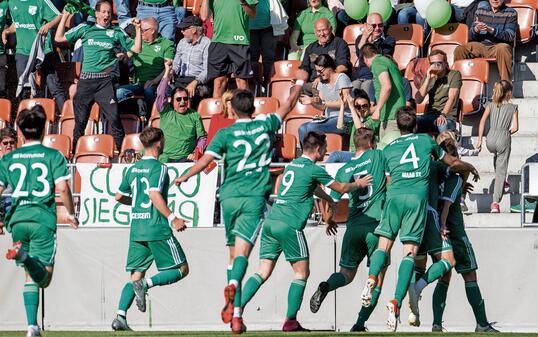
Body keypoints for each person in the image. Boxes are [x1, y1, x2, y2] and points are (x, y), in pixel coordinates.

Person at [174, 72, 307, 334]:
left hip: (229, 196)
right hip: (253, 197)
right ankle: (234, 290)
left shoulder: (225, 133)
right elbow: (289, 104)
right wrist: (299, 82)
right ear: (253, 107)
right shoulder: (265, 123)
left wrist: (185, 176)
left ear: (232, 109)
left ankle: (236, 315)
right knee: (243, 255)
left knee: (232, 254)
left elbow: (204, 162)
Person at [360, 107, 479, 332]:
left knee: (383, 247)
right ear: (415, 125)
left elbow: (387, 180)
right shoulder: (426, 142)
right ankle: (398, 300)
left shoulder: (388, 149)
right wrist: (469, 166)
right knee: (412, 254)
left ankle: (372, 277)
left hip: (394, 198)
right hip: (418, 203)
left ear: (397, 126)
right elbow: (452, 163)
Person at [240, 131, 371, 331]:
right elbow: (342, 188)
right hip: (289, 226)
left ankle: (236, 310)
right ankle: (290, 321)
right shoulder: (312, 169)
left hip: (271, 222)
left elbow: (311, 188)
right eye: (325, 148)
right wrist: (358, 184)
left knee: (263, 271)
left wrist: (327, 201)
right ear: (318, 149)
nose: (327, 151)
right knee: (301, 273)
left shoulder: (292, 165)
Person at [1, 106, 78, 337]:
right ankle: (24, 256)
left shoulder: (9, 158)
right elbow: (62, 188)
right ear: (44, 129)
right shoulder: (53, 155)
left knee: (29, 276)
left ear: (21, 132)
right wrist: (71, 213)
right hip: (42, 220)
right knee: (43, 279)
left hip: (17, 221)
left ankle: (32, 327)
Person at [111, 127, 190, 331]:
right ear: (159, 142)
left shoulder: (132, 168)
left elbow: (119, 197)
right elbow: (155, 195)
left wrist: (137, 203)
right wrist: (173, 218)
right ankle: (146, 285)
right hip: (156, 228)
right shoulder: (160, 168)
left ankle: (120, 316)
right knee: (181, 269)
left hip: (137, 228)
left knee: (136, 274)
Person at [309, 127, 387, 332]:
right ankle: (359, 324)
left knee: (346, 274)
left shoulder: (345, 169)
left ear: (354, 145)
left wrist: (328, 220)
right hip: (375, 226)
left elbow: (331, 201)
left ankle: (326, 286)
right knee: (376, 280)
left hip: (353, 227)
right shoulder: (378, 156)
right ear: (371, 143)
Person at [55, 0, 142, 152]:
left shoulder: (116, 32)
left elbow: (136, 48)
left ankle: (122, 155)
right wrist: (64, 16)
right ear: (96, 14)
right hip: (86, 81)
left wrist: (138, 29)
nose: (107, 15)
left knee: (114, 119)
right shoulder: (85, 28)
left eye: (109, 12)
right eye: (103, 11)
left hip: (105, 82)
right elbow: (59, 38)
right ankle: (74, 155)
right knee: (80, 122)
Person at [432, 137, 499, 332]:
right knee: (470, 275)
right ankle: (482, 324)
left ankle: (436, 323)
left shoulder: (435, 175)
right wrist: (468, 169)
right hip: (455, 232)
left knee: (444, 276)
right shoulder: (455, 178)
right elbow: (447, 204)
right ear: (455, 156)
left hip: (437, 233)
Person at [5, 0, 66, 113]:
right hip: (22, 51)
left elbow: (58, 16)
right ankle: (24, 120)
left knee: (54, 86)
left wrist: (48, 25)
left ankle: (66, 117)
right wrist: (7, 31)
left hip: (43, 50)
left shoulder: (41, 1)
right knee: (22, 87)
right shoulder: (12, 2)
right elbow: (16, 24)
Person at [116, 17, 175, 117]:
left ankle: (150, 119)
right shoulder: (138, 42)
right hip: (137, 84)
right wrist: (122, 57)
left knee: (149, 92)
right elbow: (127, 57)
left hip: (156, 84)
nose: (140, 33)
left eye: (143, 30)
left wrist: (154, 81)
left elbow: (168, 68)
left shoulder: (167, 44)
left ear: (152, 31)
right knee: (118, 92)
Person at [476, 80, 518, 213]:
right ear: (509, 93)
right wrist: (506, 133)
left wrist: (479, 140)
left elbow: (482, 121)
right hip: (503, 137)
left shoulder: (490, 105)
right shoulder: (513, 107)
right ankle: (495, 203)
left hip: (490, 138)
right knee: (501, 169)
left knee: (497, 156)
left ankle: (503, 182)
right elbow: (516, 128)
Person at [200, 0, 258, 98]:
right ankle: (218, 113)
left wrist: (243, 2)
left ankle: (244, 111)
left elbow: (253, 14)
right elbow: (204, 17)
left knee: (242, 82)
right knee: (218, 83)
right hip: (218, 41)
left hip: (240, 41)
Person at [155, 61, 207, 163]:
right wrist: (167, 73)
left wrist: (196, 152)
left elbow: (202, 138)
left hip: (185, 159)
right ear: (172, 101)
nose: (182, 101)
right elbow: (160, 94)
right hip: (165, 158)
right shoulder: (166, 112)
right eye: (178, 99)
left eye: (185, 99)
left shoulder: (194, 115)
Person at [453, 0, 517, 82]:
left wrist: (491, 30)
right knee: (460, 49)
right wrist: (476, 30)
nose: (495, 0)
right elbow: (470, 37)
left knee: (503, 48)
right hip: (481, 46)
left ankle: (506, 86)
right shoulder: (480, 11)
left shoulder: (511, 13)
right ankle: (457, 83)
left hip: (497, 46)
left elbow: (510, 36)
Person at [297, 54, 352, 144]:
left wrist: (322, 102)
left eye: (320, 71)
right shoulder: (322, 82)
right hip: (329, 119)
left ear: (329, 68)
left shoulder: (342, 78)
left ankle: (314, 153)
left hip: (345, 119)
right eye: (316, 71)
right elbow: (322, 107)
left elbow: (345, 103)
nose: (318, 74)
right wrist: (311, 101)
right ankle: (306, 155)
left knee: (312, 127)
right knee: (302, 128)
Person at [360, 43, 406, 143]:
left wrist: (378, 110)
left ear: (365, 58)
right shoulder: (388, 61)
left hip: (391, 118)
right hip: (397, 115)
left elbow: (387, 86)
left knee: (388, 153)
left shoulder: (377, 63)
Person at [352, 12, 395, 102]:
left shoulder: (389, 40)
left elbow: (378, 58)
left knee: (366, 87)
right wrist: (365, 37)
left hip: (376, 76)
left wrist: (371, 42)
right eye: (373, 26)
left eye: (380, 25)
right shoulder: (361, 38)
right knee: (353, 88)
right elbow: (360, 53)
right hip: (361, 76)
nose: (377, 28)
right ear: (367, 25)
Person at [415, 50, 461, 134]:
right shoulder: (429, 76)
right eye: (432, 63)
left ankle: (446, 146)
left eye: (439, 63)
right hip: (430, 115)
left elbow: (452, 98)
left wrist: (443, 115)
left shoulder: (454, 74)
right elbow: (418, 100)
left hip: (448, 116)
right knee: (413, 124)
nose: (435, 66)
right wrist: (428, 78)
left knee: (442, 124)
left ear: (445, 63)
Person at [327, 90, 378, 163]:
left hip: (366, 155)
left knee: (336, 155)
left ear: (369, 106)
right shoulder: (354, 122)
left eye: (364, 106)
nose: (361, 109)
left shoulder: (373, 120)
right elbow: (340, 126)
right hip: (354, 154)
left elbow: (361, 129)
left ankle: (322, 173)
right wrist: (342, 105)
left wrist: (352, 107)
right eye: (358, 107)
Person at [298, 18, 350, 86]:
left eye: (324, 30)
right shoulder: (310, 48)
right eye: (319, 31)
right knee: (295, 88)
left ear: (331, 29)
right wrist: (299, 80)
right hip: (312, 83)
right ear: (315, 32)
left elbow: (343, 66)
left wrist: (321, 78)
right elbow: (304, 69)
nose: (322, 34)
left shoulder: (340, 44)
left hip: (331, 83)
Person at [173, 15, 211, 107]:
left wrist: (195, 82)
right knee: (161, 91)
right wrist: (171, 72)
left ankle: (190, 119)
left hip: (199, 82)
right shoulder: (182, 42)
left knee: (189, 95)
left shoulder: (207, 43)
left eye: (184, 29)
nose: (182, 32)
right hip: (181, 80)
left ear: (193, 30)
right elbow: (176, 65)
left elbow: (207, 70)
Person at [249, 0, 277, 86]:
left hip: (269, 27)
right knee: (252, 58)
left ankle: (267, 84)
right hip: (250, 28)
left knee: (268, 57)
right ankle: (255, 85)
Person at [0, 0, 9, 98]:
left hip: (1, 53)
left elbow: (14, 23)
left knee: (1, 89)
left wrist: (6, 31)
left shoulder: (6, 4)